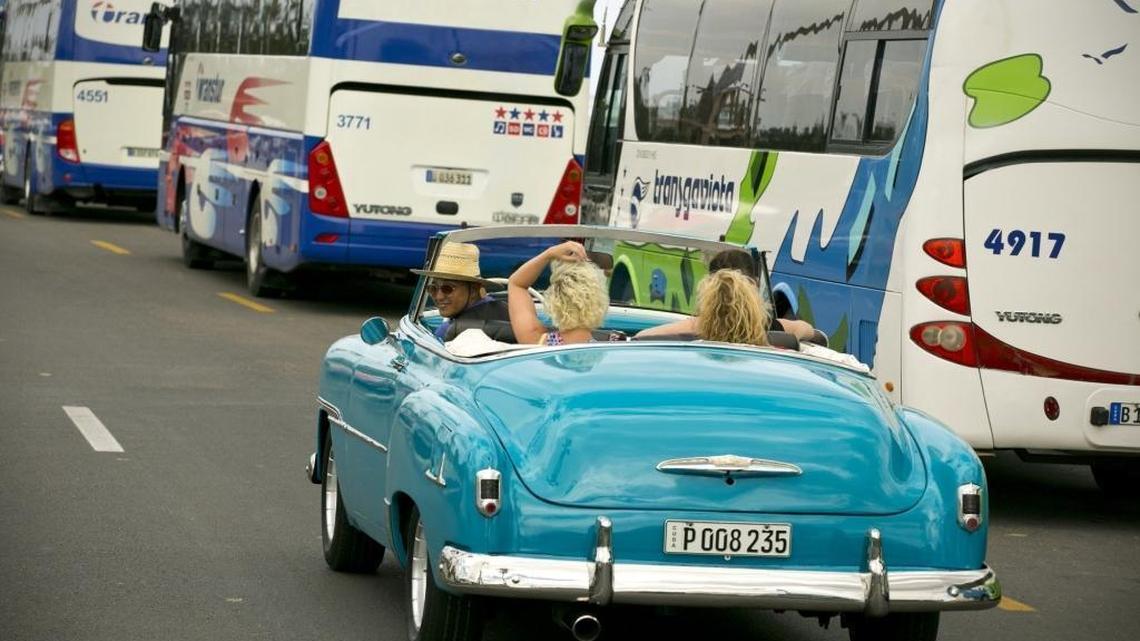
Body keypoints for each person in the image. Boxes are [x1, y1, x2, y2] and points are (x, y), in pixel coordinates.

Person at [636, 248, 817, 340]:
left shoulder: (695, 328)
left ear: (709, 289)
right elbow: (806, 329)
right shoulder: (769, 329)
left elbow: (642, 337)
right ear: (754, 285)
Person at [508, 240, 610, 346]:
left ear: (554, 300)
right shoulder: (611, 354)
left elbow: (516, 284)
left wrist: (549, 254)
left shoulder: (537, 342)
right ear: (598, 301)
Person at [410, 241, 508, 341]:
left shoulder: (448, 332)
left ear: (474, 290)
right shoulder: (511, 312)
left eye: (448, 288)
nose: (439, 296)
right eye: (433, 288)